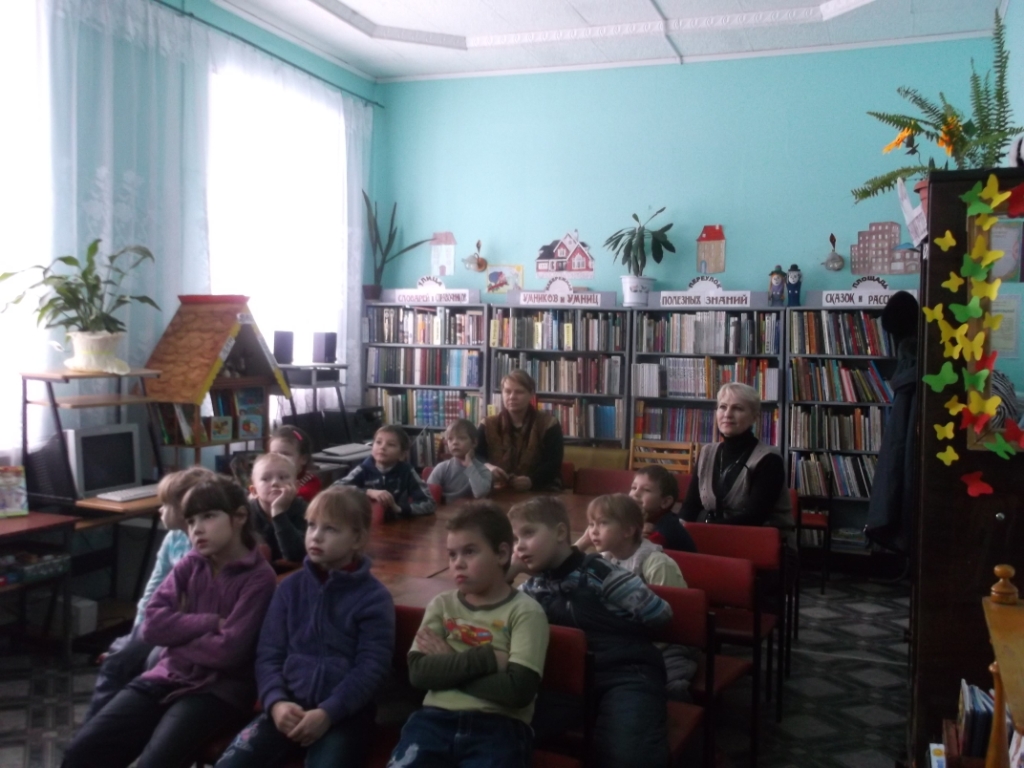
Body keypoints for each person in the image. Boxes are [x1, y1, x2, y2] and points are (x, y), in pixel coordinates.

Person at [62, 477, 277, 768]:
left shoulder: (259, 578)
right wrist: (209, 623)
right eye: (191, 520)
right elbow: (152, 625)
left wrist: (176, 636)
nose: (196, 528)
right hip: (167, 674)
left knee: (155, 762)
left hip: (218, 691)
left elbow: (228, 652)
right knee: (83, 751)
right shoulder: (191, 562)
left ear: (239, 517)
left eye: (208, 516)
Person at [215, 487, 394, 768]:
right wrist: (276, 702)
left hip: (344, 713)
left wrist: (328, 712)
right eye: (311, 525)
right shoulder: (289, 588)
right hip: (287, 706)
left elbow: (372, 668)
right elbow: (269, 654)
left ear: (358, 538)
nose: (315, 536)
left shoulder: (374, 598)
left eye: (330, 529)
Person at [509, 496, 671, 768]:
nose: (519, 546)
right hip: (565, 680)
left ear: (560, 533)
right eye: (515, 539)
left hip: (625, 673)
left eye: (528, 533)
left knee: (628, 756)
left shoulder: (600, 573)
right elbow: (501, 620)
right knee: (500, 731)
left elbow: (660, 614)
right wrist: (510, 572)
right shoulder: (533, 587)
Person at [388, 501, 549, 768]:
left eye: (470, 552)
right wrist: (485, 660)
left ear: (502, 553)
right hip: (433, 721)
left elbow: (517, 690)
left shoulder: (526, 612)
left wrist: (448, 662)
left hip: (499, 728)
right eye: (452, 555)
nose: (458, 564)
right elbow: (419, 673)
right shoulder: (442, 605)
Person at [85, 466, 216, 721]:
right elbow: (153, 590)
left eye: (166, 505)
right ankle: (97, 727)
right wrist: (137, 633)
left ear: (185, 508)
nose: (160, 510)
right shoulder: (173, 539)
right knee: (119, 658)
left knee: (139, 662)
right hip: (160, 621)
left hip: (187, 627)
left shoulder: (209, 546)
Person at [583, 494, 698, 702]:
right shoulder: (603, 561)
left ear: (628, 530)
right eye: (591, 524)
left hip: (666, 645)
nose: (593, 531)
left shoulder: (656, 563)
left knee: (667, 685)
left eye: (602, 523)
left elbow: (675, 620)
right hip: (626, 643)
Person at [680, 382, 793, 542]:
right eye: (722, 407)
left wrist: (702, 531)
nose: (727, 414)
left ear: (754, 417)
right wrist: (678, 528)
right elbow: (691, 506)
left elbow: (754, 518)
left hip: (758, 542)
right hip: (712, 537)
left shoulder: (769, 459)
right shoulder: (706, 452)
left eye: (738, 408)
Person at [477, 369, 564, 492]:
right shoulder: (487, 424)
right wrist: (488, 467)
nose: (512, 397)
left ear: (531, 394)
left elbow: (553, 463)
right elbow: (475, 456)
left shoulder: (549, 424)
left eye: (519, 392)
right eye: (507, 391)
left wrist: (532, 481)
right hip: (497, 490)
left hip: (540, 489)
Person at [335, 425, 435, 519]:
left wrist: (400, 508)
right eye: (378, 442)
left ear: (402, 455)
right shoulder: (363, 469)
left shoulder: (407, 471)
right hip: (364, 522)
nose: (382, 447)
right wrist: (368, 492)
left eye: (391, 444)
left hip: (397, 525)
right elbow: (334, 489)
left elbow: (430, 503)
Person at [247, 452, 309, 562]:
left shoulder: (304, 511)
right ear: (254, 491)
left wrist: (278, 512)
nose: (275, 482)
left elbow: (297, 556)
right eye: (265, 479)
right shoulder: (247, 512)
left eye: (283, 477)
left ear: (296, 487)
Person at [629, 465, 697, 552]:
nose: (636, 494)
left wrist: (635, 538)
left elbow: (642, 553)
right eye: (634, 488)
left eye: (646, 490)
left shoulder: (668, 528)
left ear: (665, 502)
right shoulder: (637, 519)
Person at [427, 419, 493, 502]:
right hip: (445, 508)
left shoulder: (483, 470)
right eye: (450, 439)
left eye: (461, 438)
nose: (455, 442)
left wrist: (469, 466)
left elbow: (480, 493)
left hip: (471, 509)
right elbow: (428, 495)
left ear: (474, 442)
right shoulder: (442, 468)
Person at [269, 424, 322, 503]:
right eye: (274, 454)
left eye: (285, 454)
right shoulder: (268, 479)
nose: (278, 458)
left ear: (303, 459)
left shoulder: (310, 484)